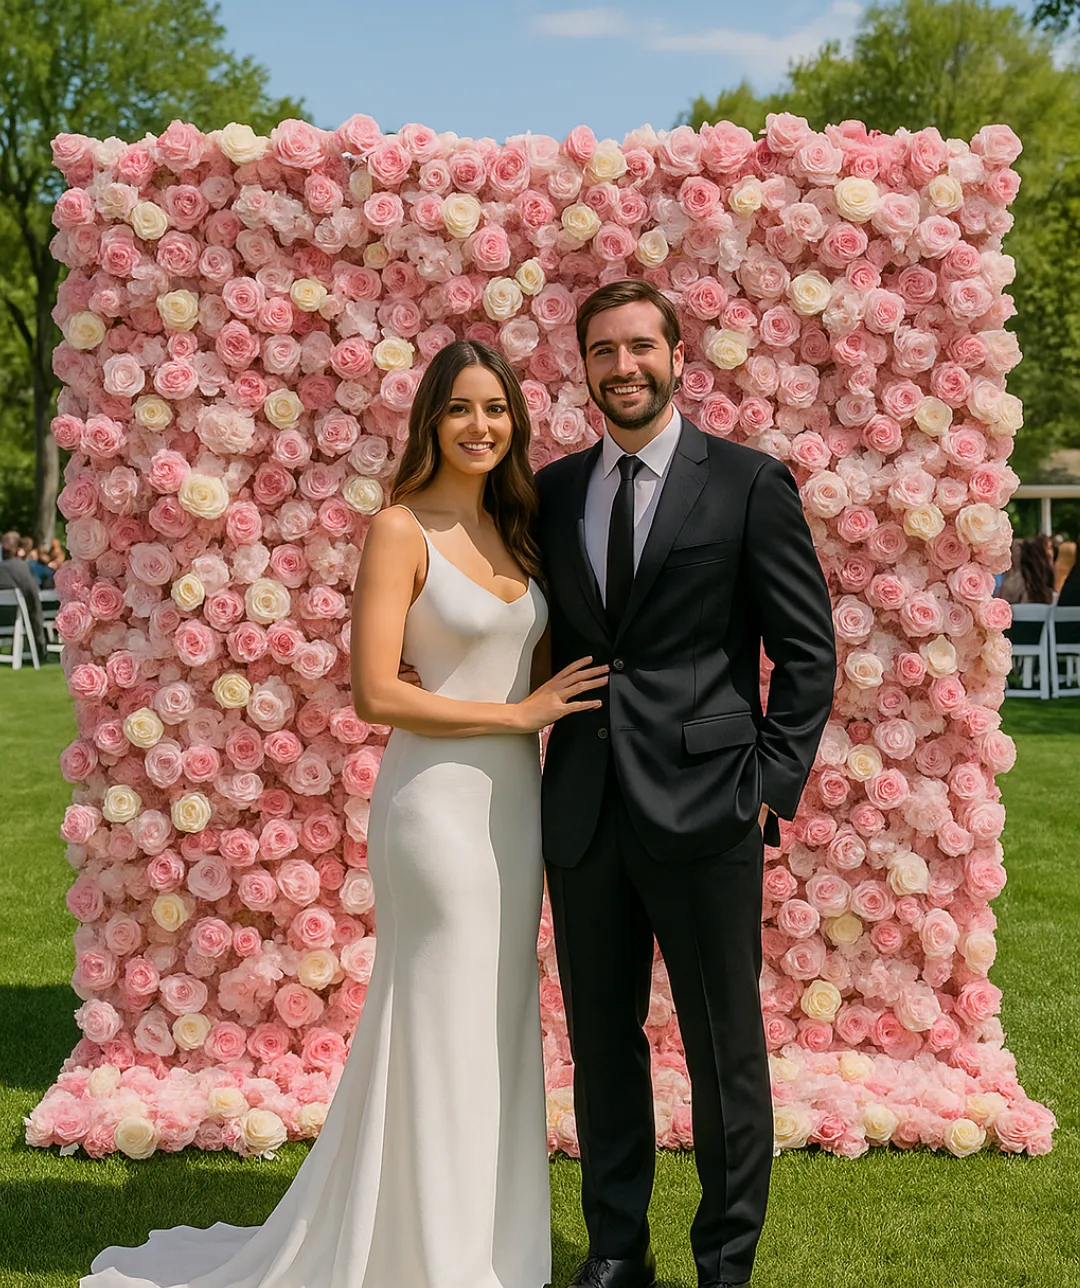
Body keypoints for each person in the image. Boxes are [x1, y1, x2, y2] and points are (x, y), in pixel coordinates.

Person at [82, 340, 608, 1288]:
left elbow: (522, 659)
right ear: (431, 422)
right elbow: (374, 692)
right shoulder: (401, 529)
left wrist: (544, 703)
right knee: (439, 1014)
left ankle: (494, 1245)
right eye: (461, 409)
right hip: (436, 807)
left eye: (496, 409)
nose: (480, 426)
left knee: (495, 1020)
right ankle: (433, 1257)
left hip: (514, 810)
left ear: (516, 423)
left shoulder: (517, 530)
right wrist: (515, 716)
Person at [535, 280, 837, 1288]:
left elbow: (806, 653)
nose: (622, 367)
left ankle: (724, 1260)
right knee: (603, 1048)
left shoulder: (749, 483)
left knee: (724, 1050)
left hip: (710, 807)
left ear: (676, 356)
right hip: (583, 810)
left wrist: (769, 785)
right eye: (602, 351)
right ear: (581, 366)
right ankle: (619, 1248)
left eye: (639, 348)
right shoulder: (554, 491)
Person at [0, 529, 48, 662]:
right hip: (16, 620)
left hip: (3, 619)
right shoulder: (21, 568)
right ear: (17, 549)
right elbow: (33, 597)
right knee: (33, 607)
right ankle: (39, 650)